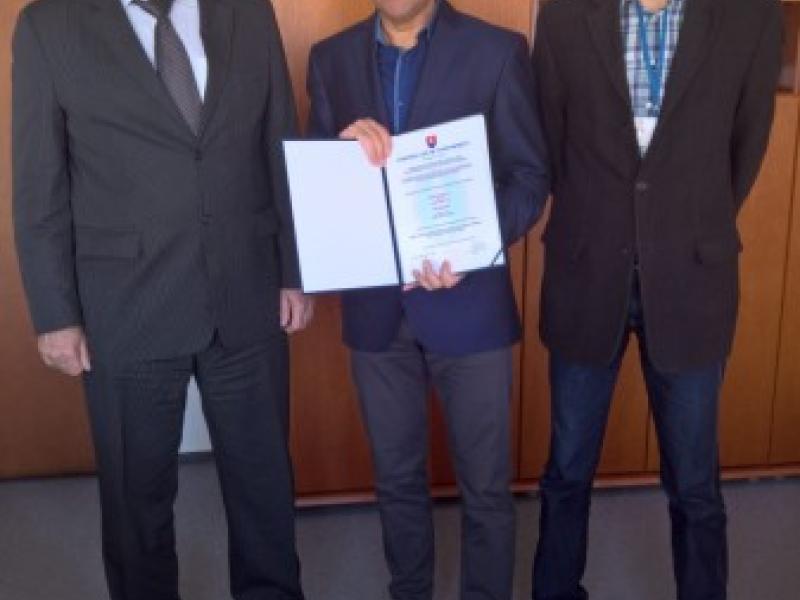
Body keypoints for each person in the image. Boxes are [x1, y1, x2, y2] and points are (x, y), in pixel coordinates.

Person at [12, 0, 314, 598]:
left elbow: (280, 141)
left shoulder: (248, 11)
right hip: (126, 304)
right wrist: (55, 314)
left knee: (264, 488)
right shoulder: (49, 25)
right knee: (136, 500)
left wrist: (295, 270)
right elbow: (38, 183)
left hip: (248, 290)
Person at [530, 0, 782, 598]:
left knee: (695, 482)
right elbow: (551, 140)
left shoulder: (751, 18)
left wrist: (684, 221)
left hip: (691, 277)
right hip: (588, 271)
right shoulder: (565, 15)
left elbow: (746, 145)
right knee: (566, 470)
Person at [307, 1, 549, 598]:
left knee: (486, 488)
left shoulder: (497, 52)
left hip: (471, 309)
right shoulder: (331, 59)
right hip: (376, 313)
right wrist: (340, 151)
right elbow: (317, 181)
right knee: (395, 481)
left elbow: (529, 178)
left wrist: (471, 246)